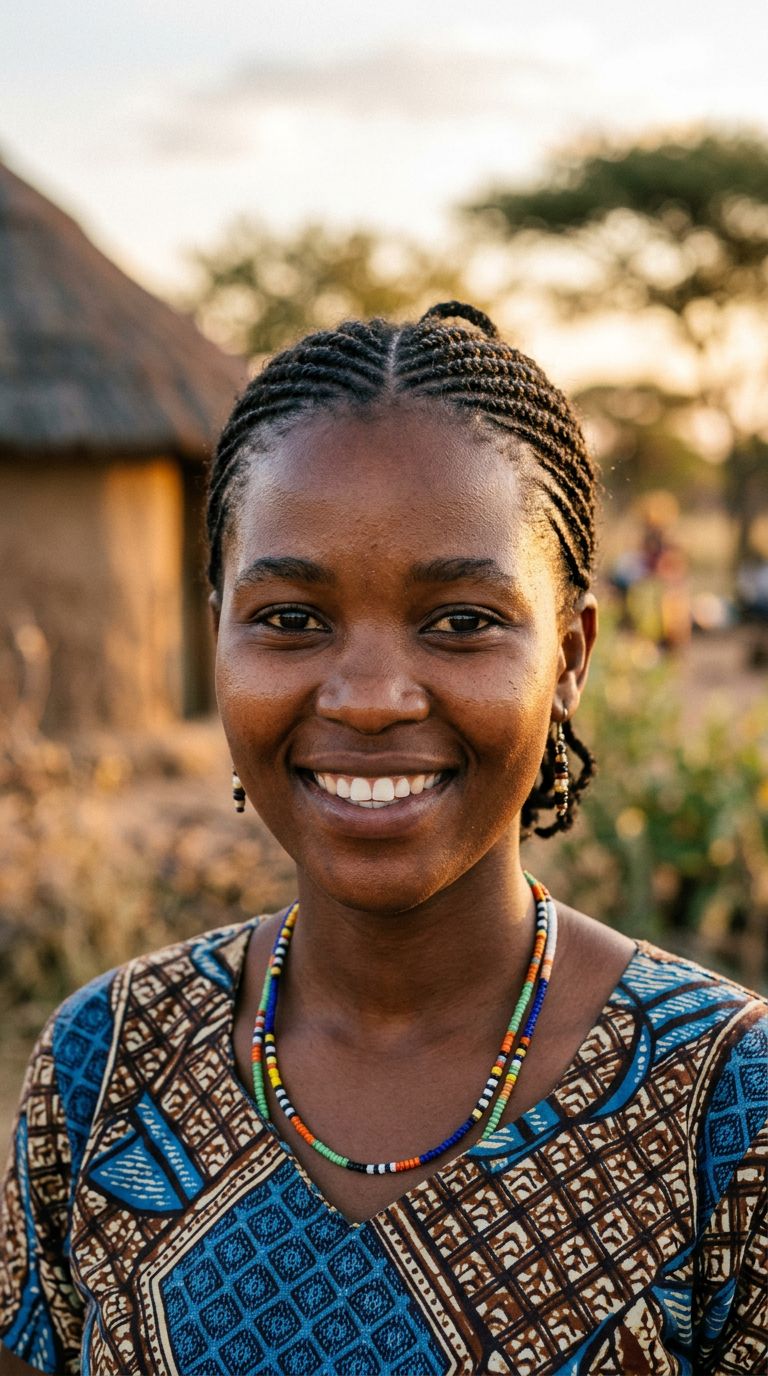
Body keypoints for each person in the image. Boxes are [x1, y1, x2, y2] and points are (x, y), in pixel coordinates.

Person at [0, 302, 765, 1375]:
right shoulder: (104, 1064)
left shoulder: (732, 1106)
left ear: (571, 655)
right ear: (216, 638)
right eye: (290, 619)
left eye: (461, 620)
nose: (367, 698)